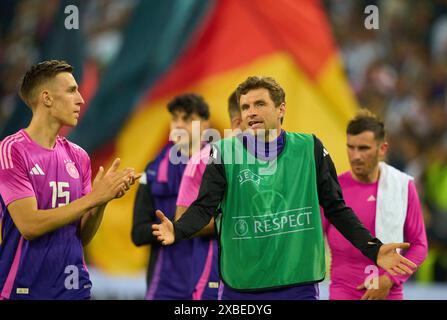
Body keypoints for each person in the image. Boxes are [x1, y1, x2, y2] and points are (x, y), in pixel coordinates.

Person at [152, 76, 417, 300]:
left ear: (281, 109)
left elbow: (337, 209)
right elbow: (203, 208)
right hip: (240, 286)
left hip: (297, 285)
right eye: (245, 107)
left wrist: (373, 248)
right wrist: (178, 229)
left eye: (259, 104)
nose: (251, 112)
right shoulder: (222, 153)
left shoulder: (309, 148)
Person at [0, 60, 138, 300]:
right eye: (72, 90)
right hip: (24, 290)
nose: (81, 100)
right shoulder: (12, 151)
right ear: (47, 98)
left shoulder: (78, 156)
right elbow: (30, 225)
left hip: (74, 289)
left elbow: (82, 236)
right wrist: (93, 198)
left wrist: (101, 201)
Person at [322, 110, 428, 300]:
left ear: (382, 149)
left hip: (389, 291)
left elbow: (419, 245)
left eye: (363, 148)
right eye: (351, 147)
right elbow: (312, 238)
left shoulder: (402, 186)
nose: (355, 156)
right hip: (343, 291)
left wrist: (389, 280)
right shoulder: (331, 189)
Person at [131, 93, 211, 300]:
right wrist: (167, 229)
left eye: (187, 119)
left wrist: (179, 228)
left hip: (210, 277)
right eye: (175, 118)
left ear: (204, 125)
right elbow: (138, 233)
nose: (179, 125)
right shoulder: (153, 171)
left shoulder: (221, 167)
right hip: (165, 284)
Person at [174, 91, 243, 300]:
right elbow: (182, 220)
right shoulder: (204, 159)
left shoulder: (270, 160)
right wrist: (235, 220)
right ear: (240, 121)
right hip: (214, 270)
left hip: (259, 270)